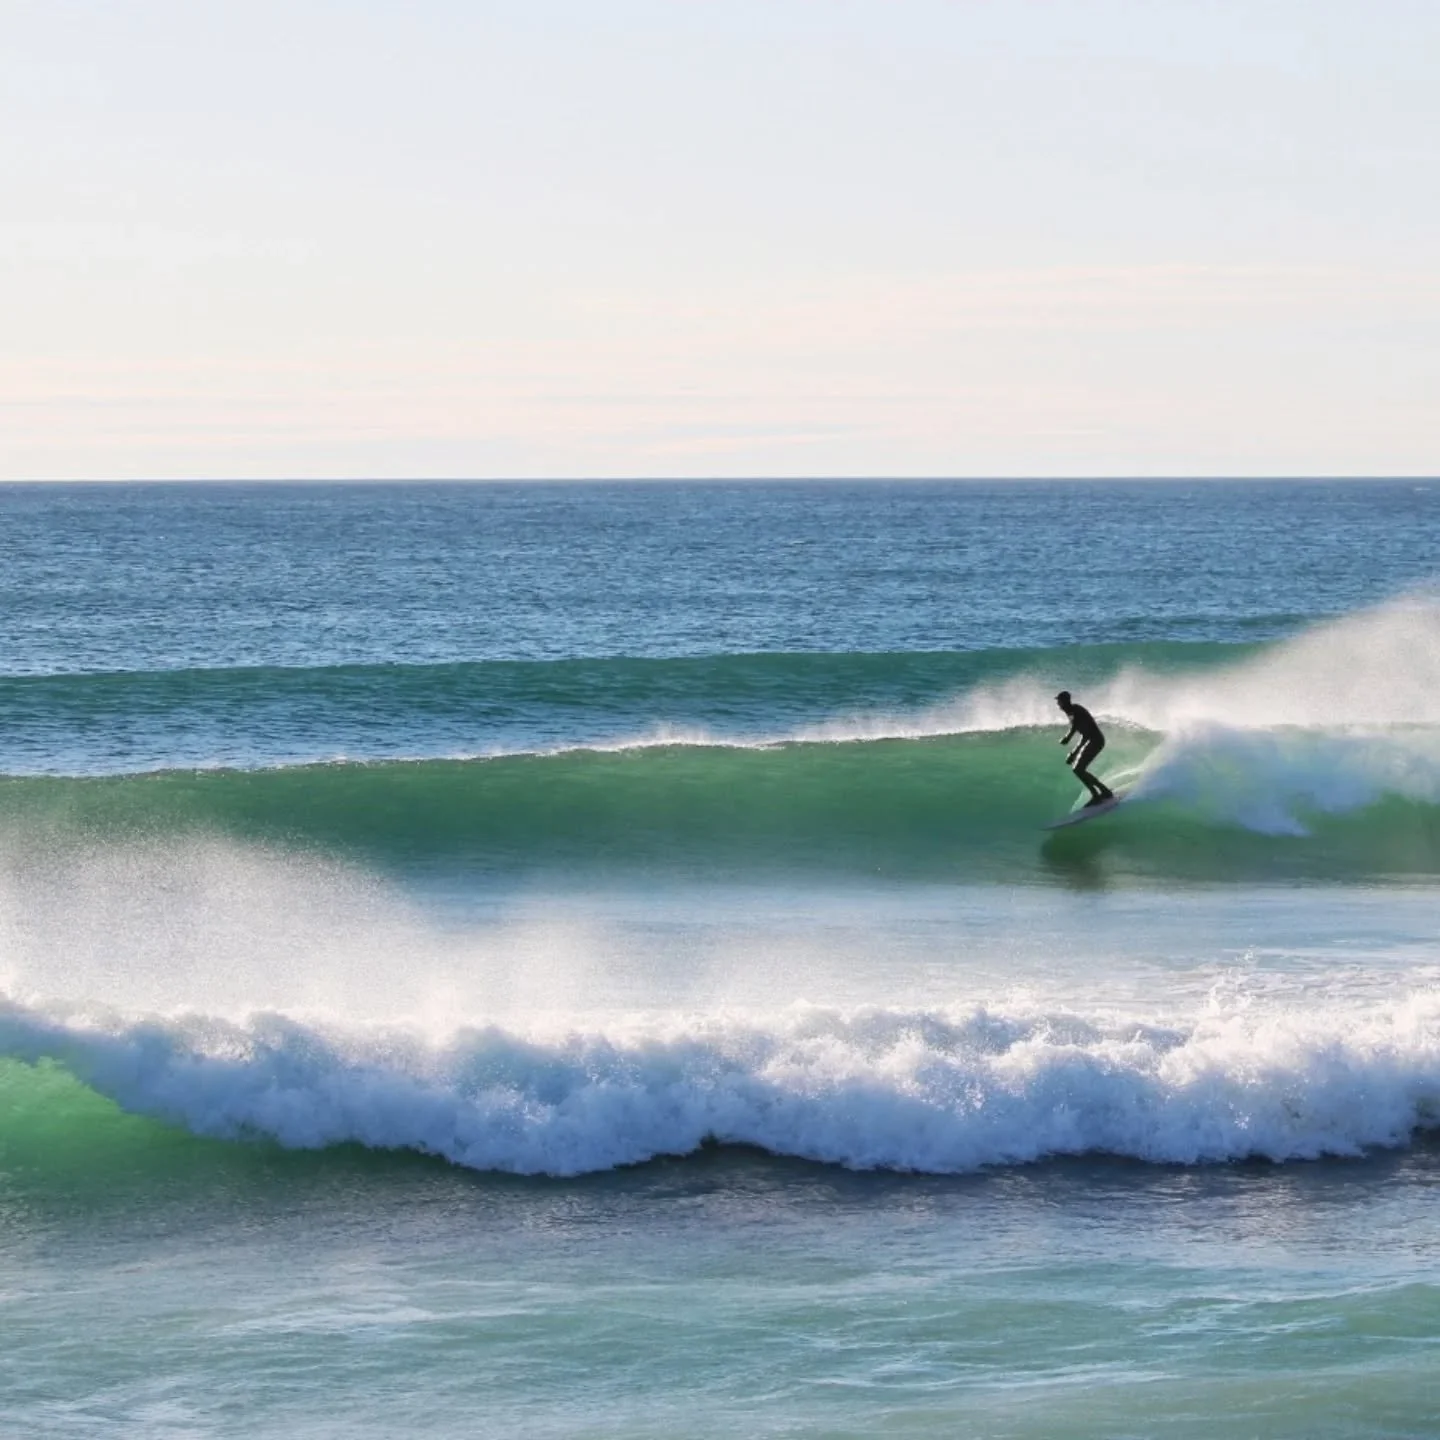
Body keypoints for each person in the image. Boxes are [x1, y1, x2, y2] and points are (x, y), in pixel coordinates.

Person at [1055, 691, 1115, 807]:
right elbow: (1080, 731)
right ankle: (1104, 792)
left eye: (1059, 701)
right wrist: (1073, 751)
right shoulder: (1071, 712)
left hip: (1096, 741)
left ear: (1065, 702)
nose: (1058, 704)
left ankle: (1098, 795)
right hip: (1092, 740)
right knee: (1078, 769)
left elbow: (1079, 730)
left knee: (1078, 769)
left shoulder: (1076, 711)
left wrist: (1069, 741)